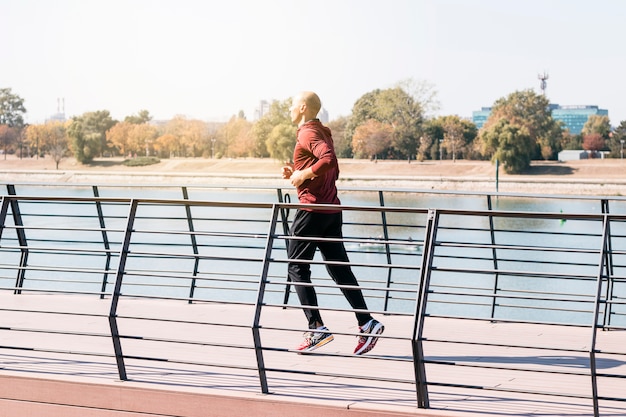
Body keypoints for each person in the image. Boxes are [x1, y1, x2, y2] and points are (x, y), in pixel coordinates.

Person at [282, 91, 384, 355]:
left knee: (296, 267)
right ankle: (367, 322)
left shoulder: (308, 132)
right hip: (331, 210)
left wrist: (303, 173)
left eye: (292, 105)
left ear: (302, 107)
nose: (289, 109)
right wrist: (298, 174)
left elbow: (329, 160)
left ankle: (316, 328)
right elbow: (331, 170)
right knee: (339, 269)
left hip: (312, 210)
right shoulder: (322, 131)